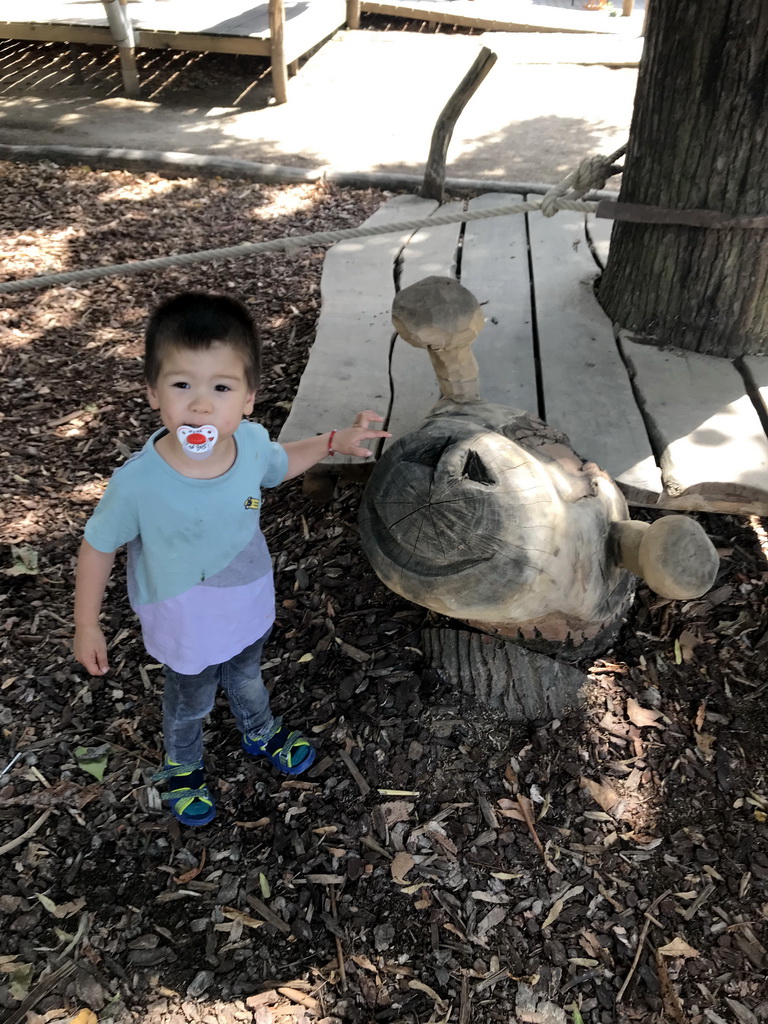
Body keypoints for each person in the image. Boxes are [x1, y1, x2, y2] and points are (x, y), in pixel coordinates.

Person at [73, 291, 390, 827]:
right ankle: (182, 763)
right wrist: (86, 624)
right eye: (182, 385)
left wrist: (334, 439)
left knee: (246, 674)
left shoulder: (249, 444)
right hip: (185, 619)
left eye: (220, 387)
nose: (201, 406)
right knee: (191, 697)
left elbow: (280, 463)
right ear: (153, 392)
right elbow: (98, 545)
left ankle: (259, 729)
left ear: (247, 397)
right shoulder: (138, 484)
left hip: (246, 600)